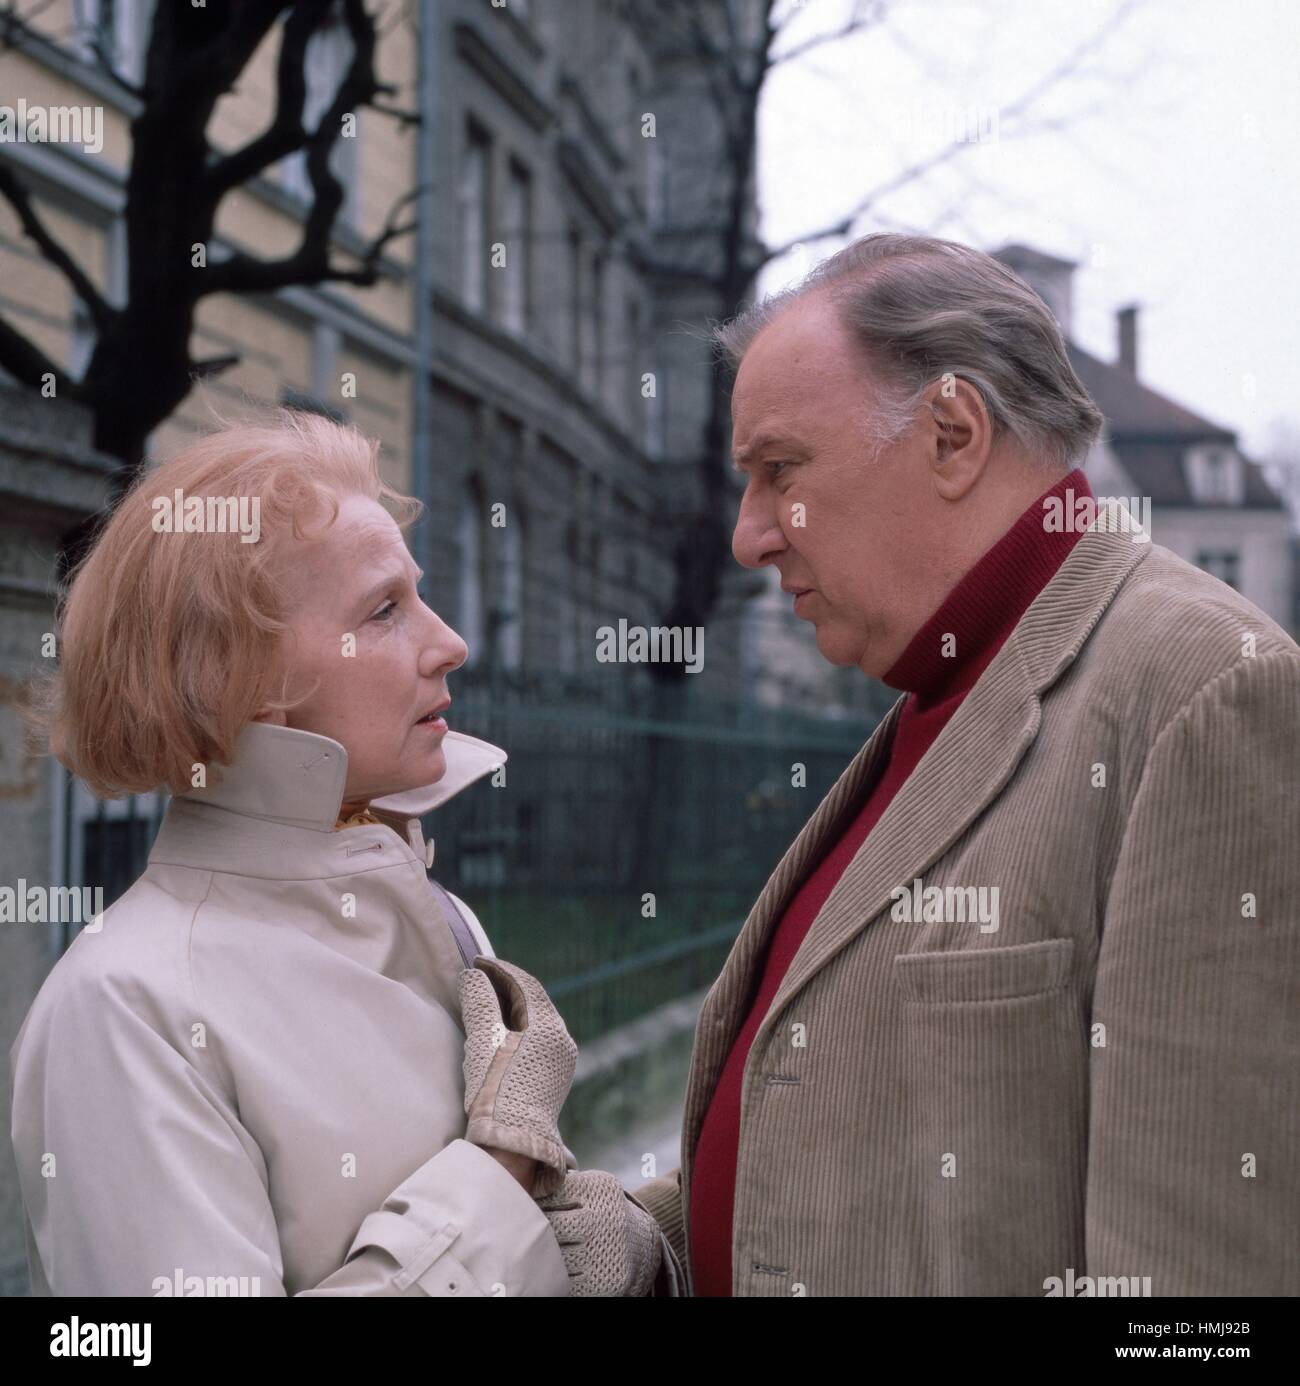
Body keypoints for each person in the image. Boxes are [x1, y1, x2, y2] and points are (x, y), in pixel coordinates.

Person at [634, 232, 1300, 1296]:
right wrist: (630, 1231)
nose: (749, 536)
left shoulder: (1206, 693)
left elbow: (1201, 1293)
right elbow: (878, 1159)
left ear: (951, 433)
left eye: (780, 471)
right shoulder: (950, 682)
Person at [11, 404, 671, 1297]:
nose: (451, 642)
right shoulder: (124, 1006)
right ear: (243, 674)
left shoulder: (437, 909)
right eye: (386, 608)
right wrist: (500, 1175)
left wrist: (569, 1254)